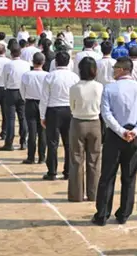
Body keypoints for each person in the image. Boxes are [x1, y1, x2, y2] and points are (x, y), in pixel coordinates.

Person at [92, 57, 137, 225]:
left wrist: (120, 131)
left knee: (107, 175)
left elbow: (106, 114)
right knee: (129, 177)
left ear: (124, 69)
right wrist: (134, 131)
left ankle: (103, 213)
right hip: (134, 137)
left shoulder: (110, 89)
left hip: (114, 136)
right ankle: (124, 213)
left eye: (116, 68)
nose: (113, 70)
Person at [40, 51, 80, 181]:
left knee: (52, 143)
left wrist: (42, 116)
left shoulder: (50, 76)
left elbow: (44, 98)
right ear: (68, 62)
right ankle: (68, 171)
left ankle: (52, 171)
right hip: (69, 110)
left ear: (55, 62)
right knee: (69, 143)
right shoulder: (74, 77)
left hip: (53, 110)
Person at [68, 57, 104, 203]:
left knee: (76, 159)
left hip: (78, 122)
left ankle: (76, 195)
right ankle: (93, 193)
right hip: (95, 122)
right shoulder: (99, 87)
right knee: (94, 159)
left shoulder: (75, 87)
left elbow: (72, 106)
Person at [20, 52, 48, 164]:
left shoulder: (26, 75)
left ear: (32, 62)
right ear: (43, 62)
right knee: (42, 131)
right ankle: (42, 157)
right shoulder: (47, 75)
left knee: (32, 131)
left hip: (30, 102)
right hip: (43, 103)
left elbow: (22, 91)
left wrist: (25, 99)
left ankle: (31, 157)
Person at [2, 46, 30, 152]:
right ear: (20, 53)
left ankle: (9, 143)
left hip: (11, 91)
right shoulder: (26, 64)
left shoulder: (8, 64)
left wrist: (6, 88)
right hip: (22, 91)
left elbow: (5, 79)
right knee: (23, 117)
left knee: (10, 118)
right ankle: (23, 142)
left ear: (11, 53)